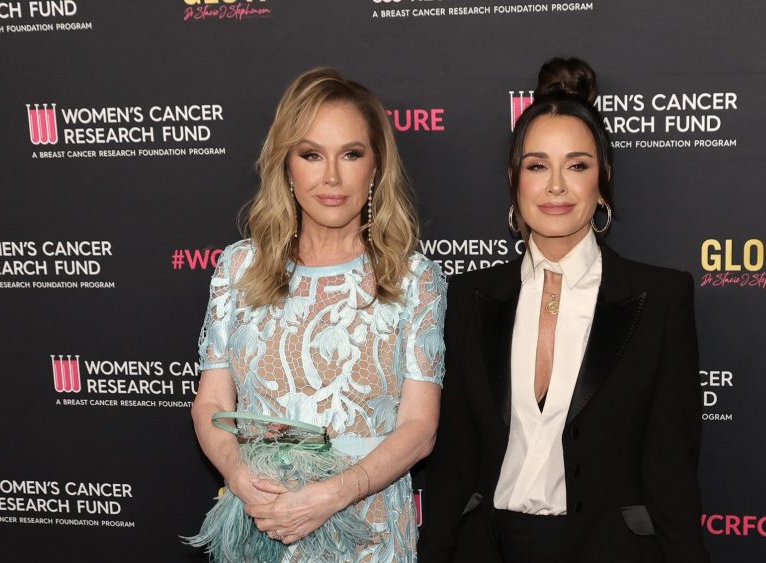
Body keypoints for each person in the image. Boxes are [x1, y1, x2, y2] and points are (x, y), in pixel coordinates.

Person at [419, 58, 709, 563]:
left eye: (577, 165)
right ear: (514, 180)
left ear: (603, 180)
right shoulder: (468, 298)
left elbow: (671, 467)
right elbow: (454, 464)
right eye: (537, 166)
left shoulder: (660, 298)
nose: (556, 186)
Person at [192, 67, 446, 562]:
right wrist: (237, 474)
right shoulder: (238, 267)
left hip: (365, 533)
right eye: (311, 155)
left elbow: (420, 429)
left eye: (351, 154)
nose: (331, 177)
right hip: (258, 525)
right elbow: (211, 404)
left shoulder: (414, 278)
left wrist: (331, 496)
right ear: (286, 164)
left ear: (376, 166)